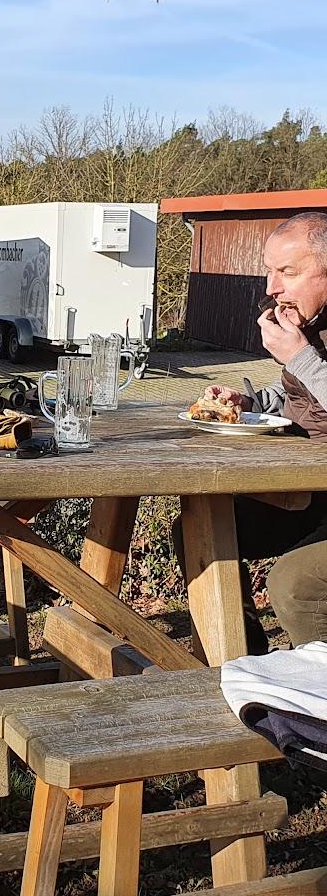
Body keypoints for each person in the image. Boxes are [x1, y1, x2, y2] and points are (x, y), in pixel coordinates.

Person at [180, 210, 327, 654]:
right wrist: (252, 402)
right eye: (269, 271)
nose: (271, 288)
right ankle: (239, 658)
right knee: (201, 531)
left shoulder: (305, 341)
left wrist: (299, 356)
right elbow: (307, 399)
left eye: (288, 271)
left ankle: (313, 711)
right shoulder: (313, 325)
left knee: (296, 584)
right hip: (311, 488)